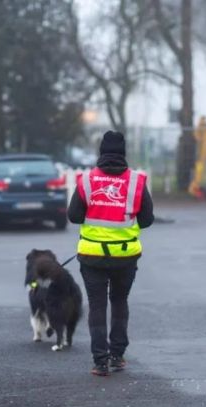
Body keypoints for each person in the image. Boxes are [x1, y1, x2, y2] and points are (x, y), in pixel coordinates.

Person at [67, 131, 154, 376]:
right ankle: (117, 355)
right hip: (125, 257)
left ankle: (100, 361)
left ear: (101, 153)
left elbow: (73, 216)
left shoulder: (87, 181)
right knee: (119, 302)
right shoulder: (136, 182)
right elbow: (146, 220)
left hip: (92, 256)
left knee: (97, 306)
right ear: (124, 153)